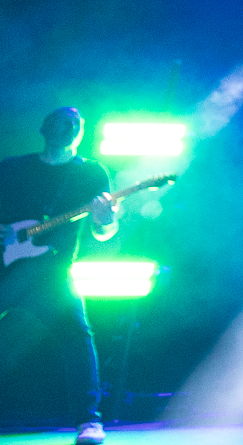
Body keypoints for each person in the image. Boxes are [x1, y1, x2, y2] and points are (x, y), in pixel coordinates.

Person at [0, 108, 117, 445]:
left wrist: (106, 219)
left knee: (77, 338)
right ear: (43, 128)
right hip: (6, 268)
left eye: (74, 124)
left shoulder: (91, 172)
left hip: (52, 274)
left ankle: (89, 422)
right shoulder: (12, 168)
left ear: (81, 133)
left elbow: (104, 233)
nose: (67, 127)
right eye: (60, 121)